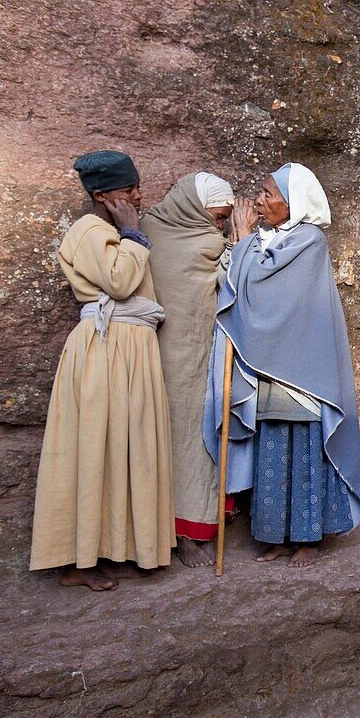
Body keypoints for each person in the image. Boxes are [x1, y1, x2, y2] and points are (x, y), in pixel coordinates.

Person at [203, 163, 360, 567]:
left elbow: (264, 289)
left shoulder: (309, 241)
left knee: (306, 453)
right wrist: (246, 243)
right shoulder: (267, 240)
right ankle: (275, 536)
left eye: (268, 194)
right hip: (270, 368)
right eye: (260, 192)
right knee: (272, 451)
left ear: (293, 203)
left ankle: (307, 541)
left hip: (303, 372)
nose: (259, 200)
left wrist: (240, 243)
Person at [30, 150, 174, 590]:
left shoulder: (107, 231)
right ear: (100, 195)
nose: (136, 195)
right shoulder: (90, 230)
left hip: (127, 352)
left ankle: (111, 550)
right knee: (94, 448)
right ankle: (78, 564)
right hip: (104, 351)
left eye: (136, 186)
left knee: (123, 449)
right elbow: (119, 282)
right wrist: (132, 233)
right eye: (128, 189)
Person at [142, 172, 235, 567]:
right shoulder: (146, 230)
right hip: (148, 357)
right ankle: (156, 529)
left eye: (223, 219)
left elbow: (234, 283)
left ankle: (192, 527)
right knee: (154, 438)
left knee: (196, 440)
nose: (219, 226)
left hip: (198, 360)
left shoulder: (214, 243)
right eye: (216, 217)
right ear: (192, 206)